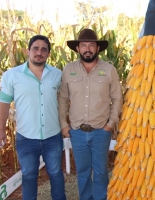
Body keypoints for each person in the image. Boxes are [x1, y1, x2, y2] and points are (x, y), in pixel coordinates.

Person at [0, 35, 66, 200]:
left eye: (44, 49)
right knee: (28, 176)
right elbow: (3, 104)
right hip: (26, 138)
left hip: (53, 136)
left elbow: (65, 100)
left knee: (56, 174)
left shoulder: (57, 75)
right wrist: (0, 130)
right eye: (35, 48)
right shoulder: (12, 75)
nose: (39, 52)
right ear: (28, 50)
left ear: (48, 54)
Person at [58, 28, 123, 200]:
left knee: (101, 171)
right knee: (83, 172)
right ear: (78, 48)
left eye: (91, 45)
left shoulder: (109, 70)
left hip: (101, 131)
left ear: (98, 48)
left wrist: (110, 124)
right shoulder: (68, 70)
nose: (88, 48)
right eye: (84, 45)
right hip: (77, 132)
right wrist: (64, 125)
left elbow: (117, 98)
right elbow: (63, 98)